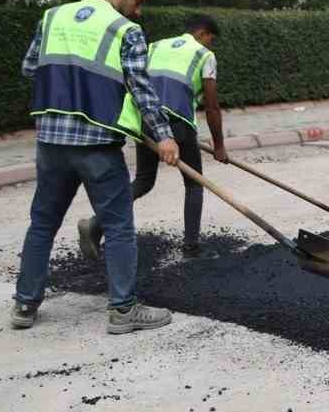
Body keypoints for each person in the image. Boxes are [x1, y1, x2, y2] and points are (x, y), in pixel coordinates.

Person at [12, 0, 178, 334]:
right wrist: (164, 137)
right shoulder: (125, 30)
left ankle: (24, 304)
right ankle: (123, 310)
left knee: (42, 223)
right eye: (138, 0)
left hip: (51, 141)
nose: (138, 10)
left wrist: (67, 88)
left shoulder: (52, 17)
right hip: (97, 145)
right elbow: (142, 91)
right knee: (118, 226)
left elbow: (29, 68)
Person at [80, 15, 228, 259]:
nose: (209, 45)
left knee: (144, 181)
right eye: (210, 40)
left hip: (147, 120)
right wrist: (219, 147)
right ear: (202, 34)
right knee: (194, 183)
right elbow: (212, 107)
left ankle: (96, 224)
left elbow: (134, 80)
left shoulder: (156, 46)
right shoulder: (204, 55)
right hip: (177, 122)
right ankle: (192, 248)